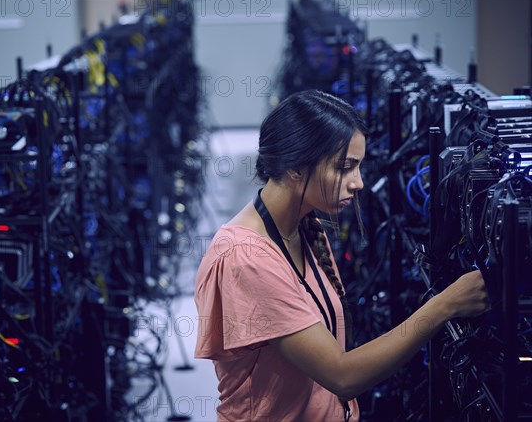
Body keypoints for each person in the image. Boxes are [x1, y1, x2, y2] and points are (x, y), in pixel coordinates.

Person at [194, 90, 489, 421]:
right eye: (345, 168)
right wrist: (444, 305)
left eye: (359, 167)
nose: (359, 183)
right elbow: (342, 376)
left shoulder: (305, 225)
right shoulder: (245, 259)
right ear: (295, 167)